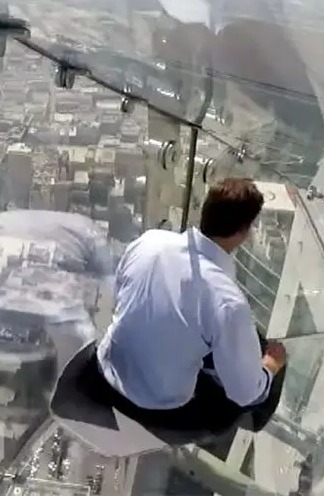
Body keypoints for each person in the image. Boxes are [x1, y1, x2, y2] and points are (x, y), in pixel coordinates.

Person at [92, 177, 287, 434]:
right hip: (152, 407)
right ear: (243, 232)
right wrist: (271, 365)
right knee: (258, 373)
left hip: (105, 370)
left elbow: (122, 294)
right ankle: (249, 423)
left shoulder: (149, 242)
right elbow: (245, 393)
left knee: (202, 334)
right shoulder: (228, 302)